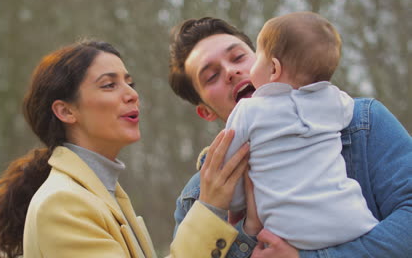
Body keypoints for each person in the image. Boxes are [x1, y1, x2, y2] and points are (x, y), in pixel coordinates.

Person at [0, 40, 251, 258]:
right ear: (66, 111)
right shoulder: (63, 203)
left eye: (129, 82)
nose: (131, 94)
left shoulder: (104, 192)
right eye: (109, 85)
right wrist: (210, 208)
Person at [169, 16, 412, 258]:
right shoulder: (196, 198)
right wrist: (240, 225)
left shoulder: (361, 124)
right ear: (206, 112)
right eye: (211, 76)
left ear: (267, 63)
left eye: (238, 57)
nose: (231, 71)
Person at [223, 11, 378, 250]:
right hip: (353, 222)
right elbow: (350, 114)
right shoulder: (335, 101)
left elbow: (230, 172)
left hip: (287, 233)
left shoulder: (249, 110)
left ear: (273, 69)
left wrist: (237, 206)